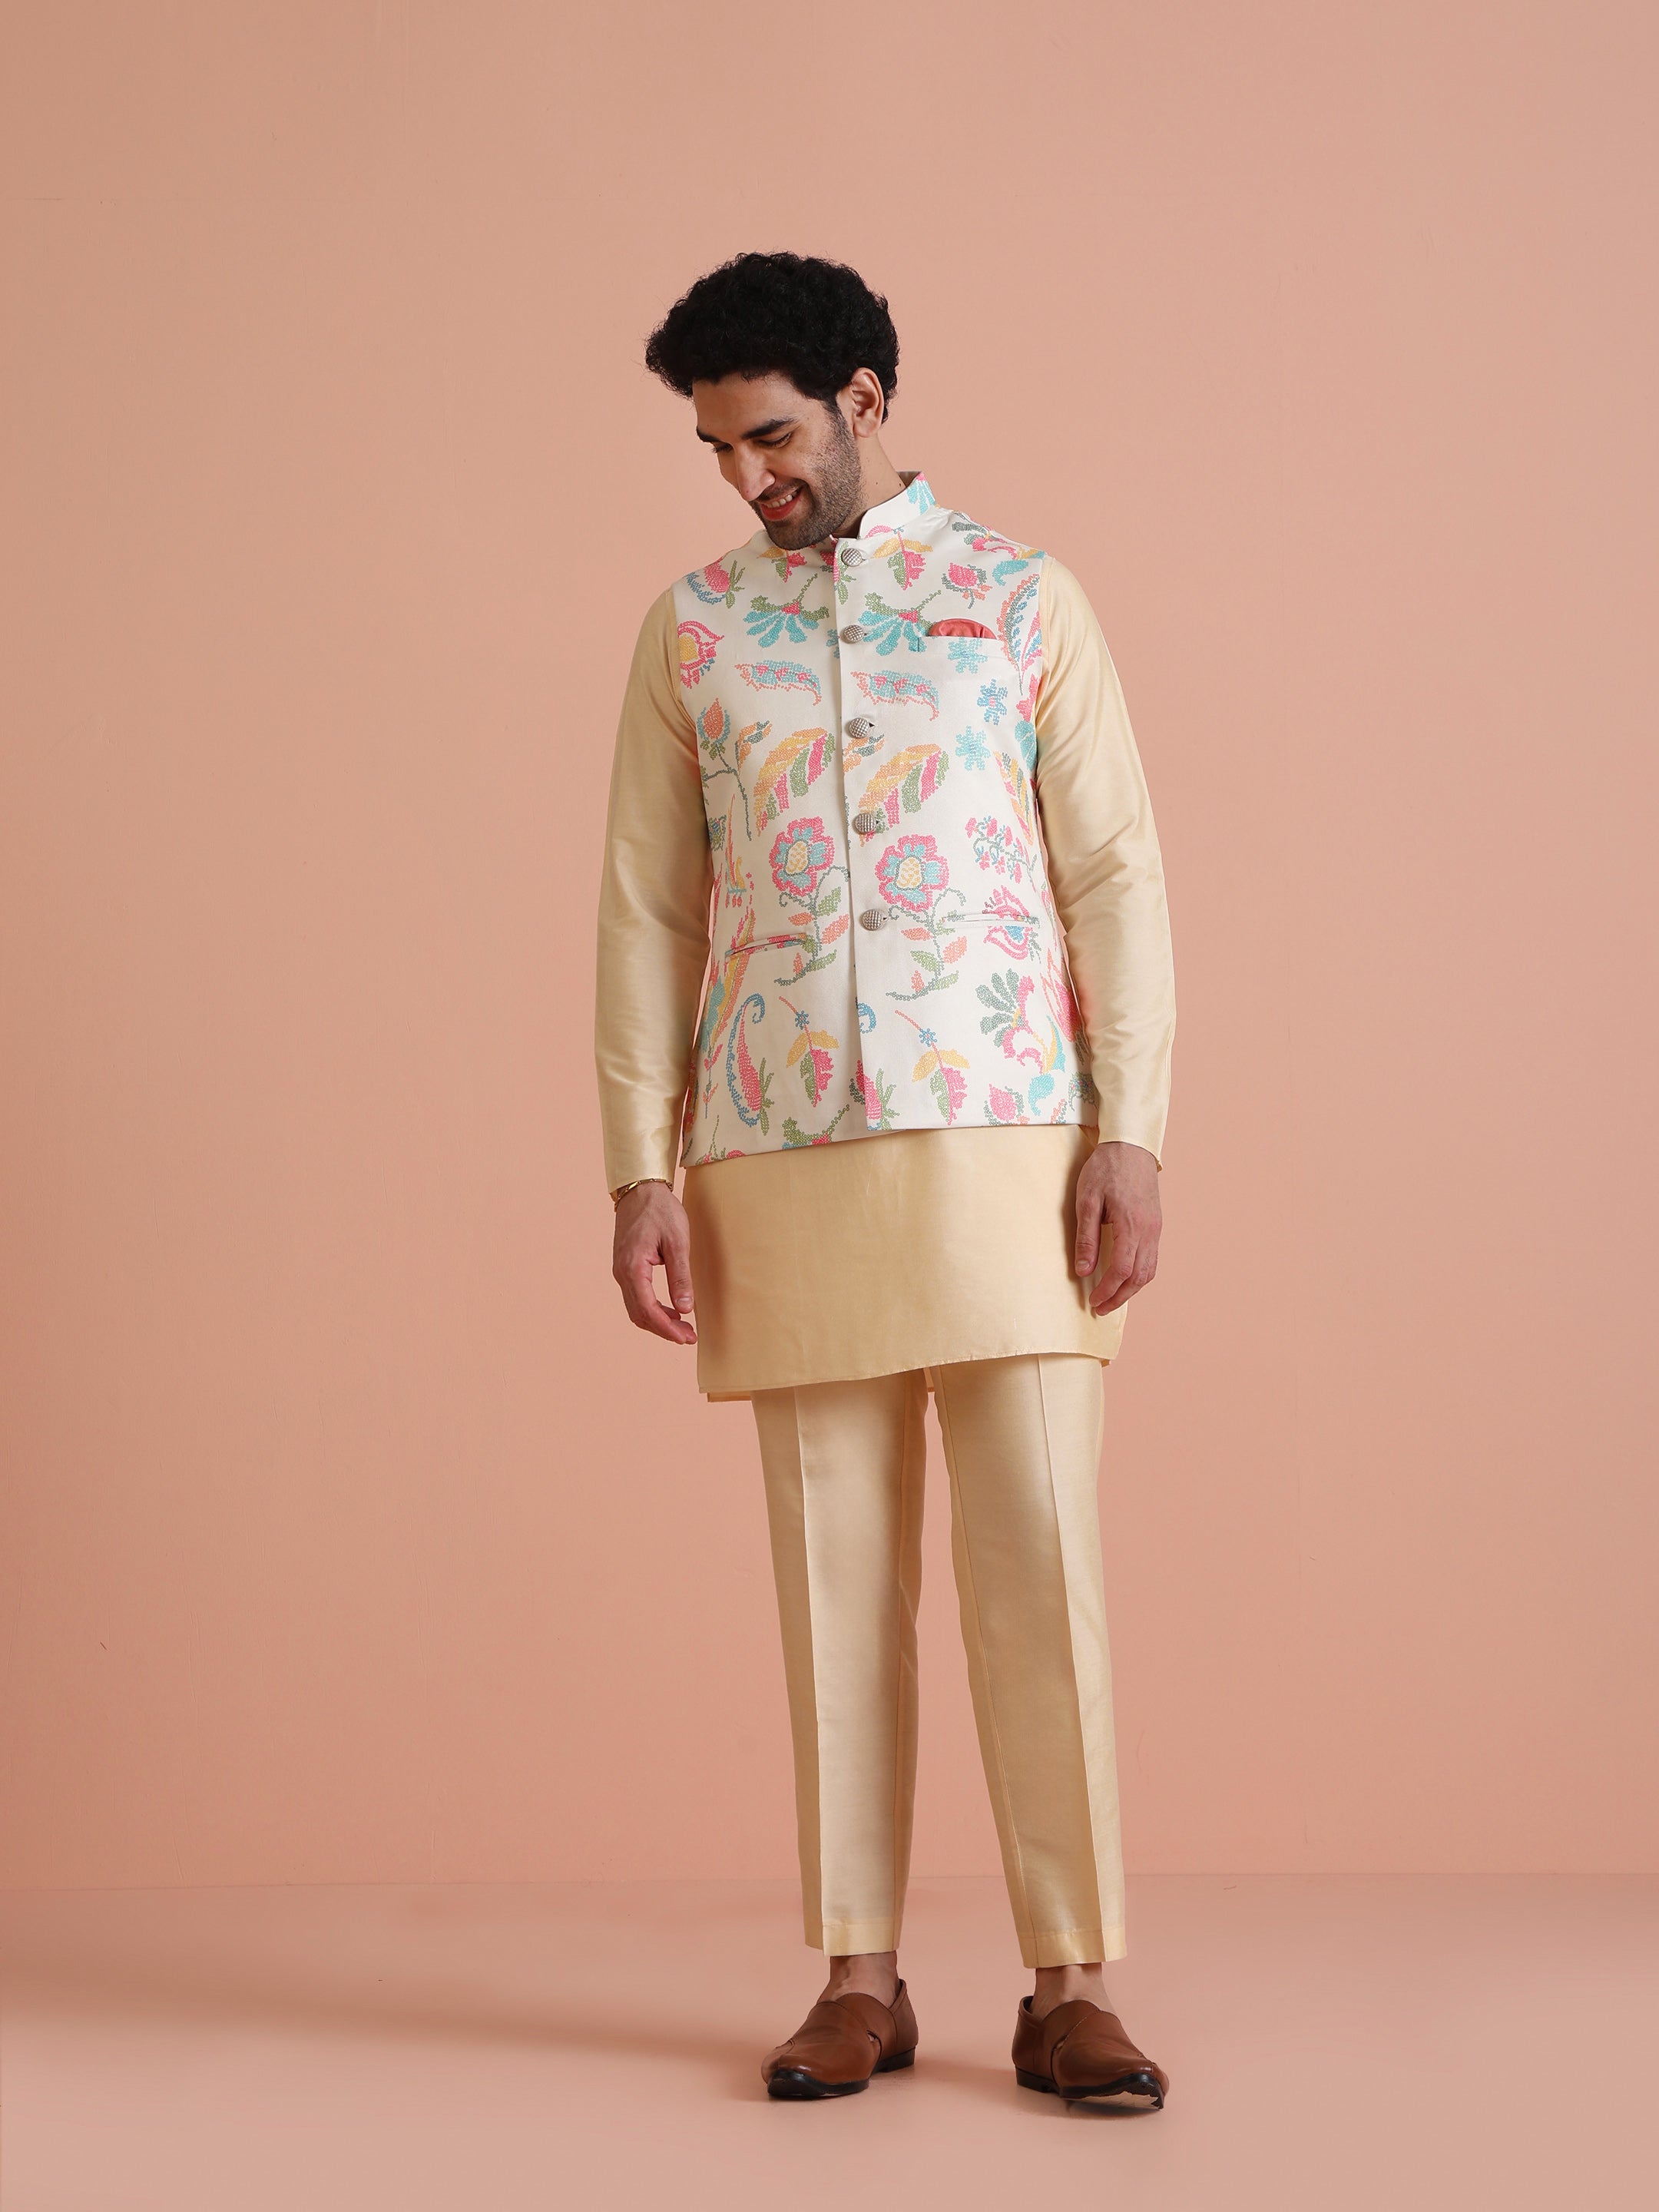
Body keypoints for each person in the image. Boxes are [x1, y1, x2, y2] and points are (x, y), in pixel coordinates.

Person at [594, 251, 1176, 2107]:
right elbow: (647, 913)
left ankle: (1071, 1981)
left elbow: (1114, 876)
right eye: (716, 449)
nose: (746, 477)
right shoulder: (694, 634)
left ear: (864, 399)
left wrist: (1134, 1128)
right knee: (830, 1572)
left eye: (770, 436)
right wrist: (637, 1170)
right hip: (777, 1147)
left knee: (1040, 1565)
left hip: (1011, 1142)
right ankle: (859, 1975)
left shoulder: (1019, 601)